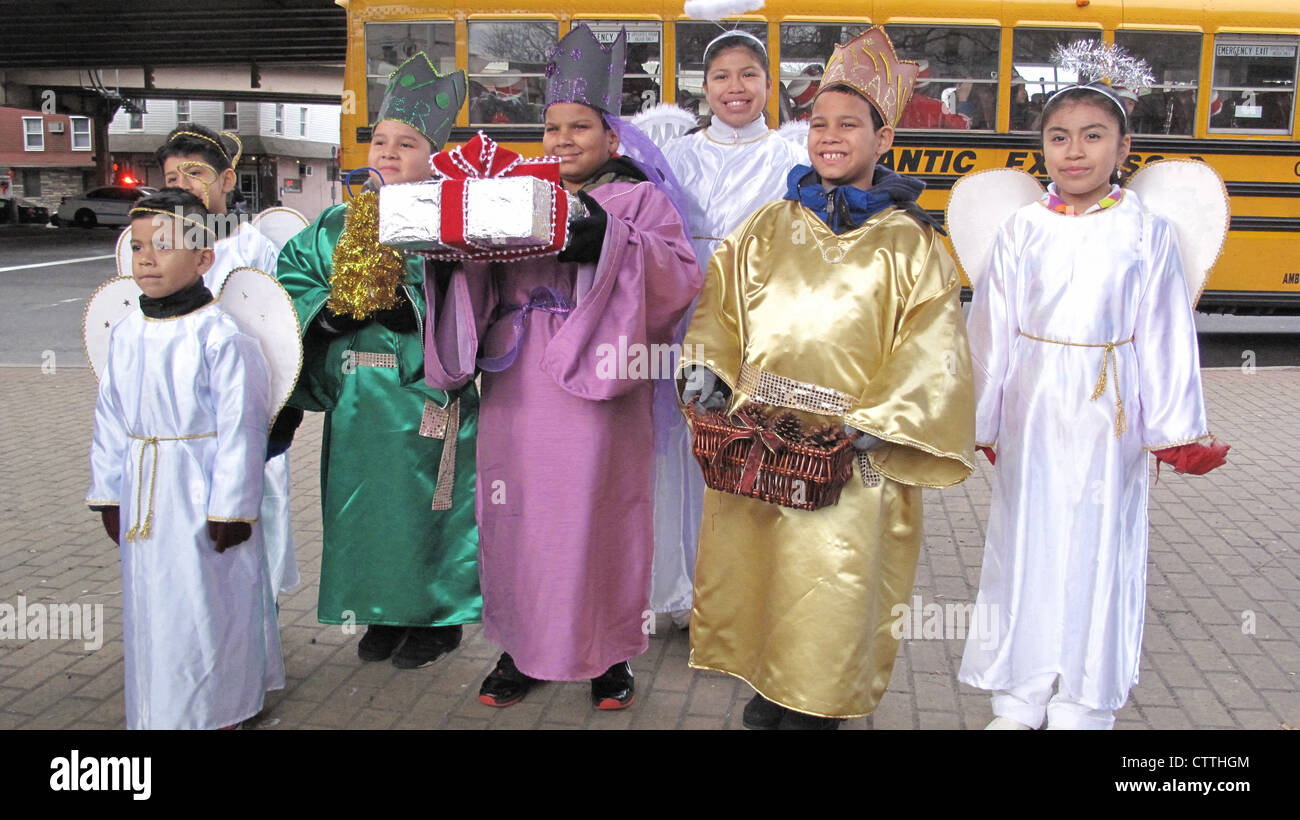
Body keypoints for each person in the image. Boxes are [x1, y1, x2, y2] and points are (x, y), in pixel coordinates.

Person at [679, 27, 975, 729]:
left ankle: (817, 704)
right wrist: (708, 368)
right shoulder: (765, 226)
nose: (830, 136)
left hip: (849, 450)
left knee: (831, 584)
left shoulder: (914, 246)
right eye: (818, 124)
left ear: (885, 139)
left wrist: (882, 421)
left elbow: (932, 345)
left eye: (849, 124)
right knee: (760, 568)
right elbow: (721, 307)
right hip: (761, 441)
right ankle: (767, 682)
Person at [423, 24, 700, 710]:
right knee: (517, 519)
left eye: (580, 126)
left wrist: (609, 240)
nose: (563, 140)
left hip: (601, 385)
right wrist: (449, 253)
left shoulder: (641, 202)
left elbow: (677, 276)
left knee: (602, 518)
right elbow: (477, 278)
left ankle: (608, 659)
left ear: (612, 138)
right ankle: (521, 650)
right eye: (552, 128)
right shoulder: (517, 193)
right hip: (520, 382)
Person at [957, 80, 1228, 730]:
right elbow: (991, 328)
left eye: (1092, 135)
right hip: (1035, 406)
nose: (1073, 151)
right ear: (1042, 149)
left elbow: (1164, 331)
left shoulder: (1145, 232)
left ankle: (1084, 699)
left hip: (1113, 413)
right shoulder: (1021, 228)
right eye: (1058, 137)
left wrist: (1173, 428)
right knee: (1025, 542)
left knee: (1101, 546)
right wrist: (981, 418)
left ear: (1123, 148)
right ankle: (1019, 695)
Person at [276, 54, 482, 669]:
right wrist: (328, 316)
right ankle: (376, 609)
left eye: (408, 144)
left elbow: (481, 294)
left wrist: (415, 309)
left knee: (431, 505)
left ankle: (434, 618)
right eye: (382, 141)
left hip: (426, 389)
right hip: (357, 396)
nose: (389, 154)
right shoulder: (336, 222)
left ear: (432, 155)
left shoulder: (451, 222)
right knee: (360, 503)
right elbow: (290, 279)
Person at [87, 190, 284, 729]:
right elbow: (111, 418)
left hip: (201, 495)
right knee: (154, 606)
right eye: (139, 246)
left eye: (165, 246)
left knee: (207, 603)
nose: (146, 258)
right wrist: (107, 491)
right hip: (145, 493)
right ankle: (159, 706)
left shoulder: (222, 338)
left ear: (204, 259)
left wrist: (233, 508)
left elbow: (241, 429)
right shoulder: (126, 334)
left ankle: (221, 706)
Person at [648, 29, 807, 627]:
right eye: (721, 76)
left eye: (748, 75)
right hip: (683, 311)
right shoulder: (677, 157)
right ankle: (678, 589)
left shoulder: (793, 158)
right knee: (679, 448)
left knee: (749, 446)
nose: (735, 88)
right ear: (703, 86)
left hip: (758, 318)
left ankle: (742, 596)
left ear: (769, 84)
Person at [154, 122, 301, 598]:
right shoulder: (155, 251)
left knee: (253, 518)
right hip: (179, 425)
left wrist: (279, 416)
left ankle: (260, 628)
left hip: (245, 418)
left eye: (195, 173)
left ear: (227, 181)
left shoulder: (252, 249)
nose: (183, 185)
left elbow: (279, 335)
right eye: (172, 177)